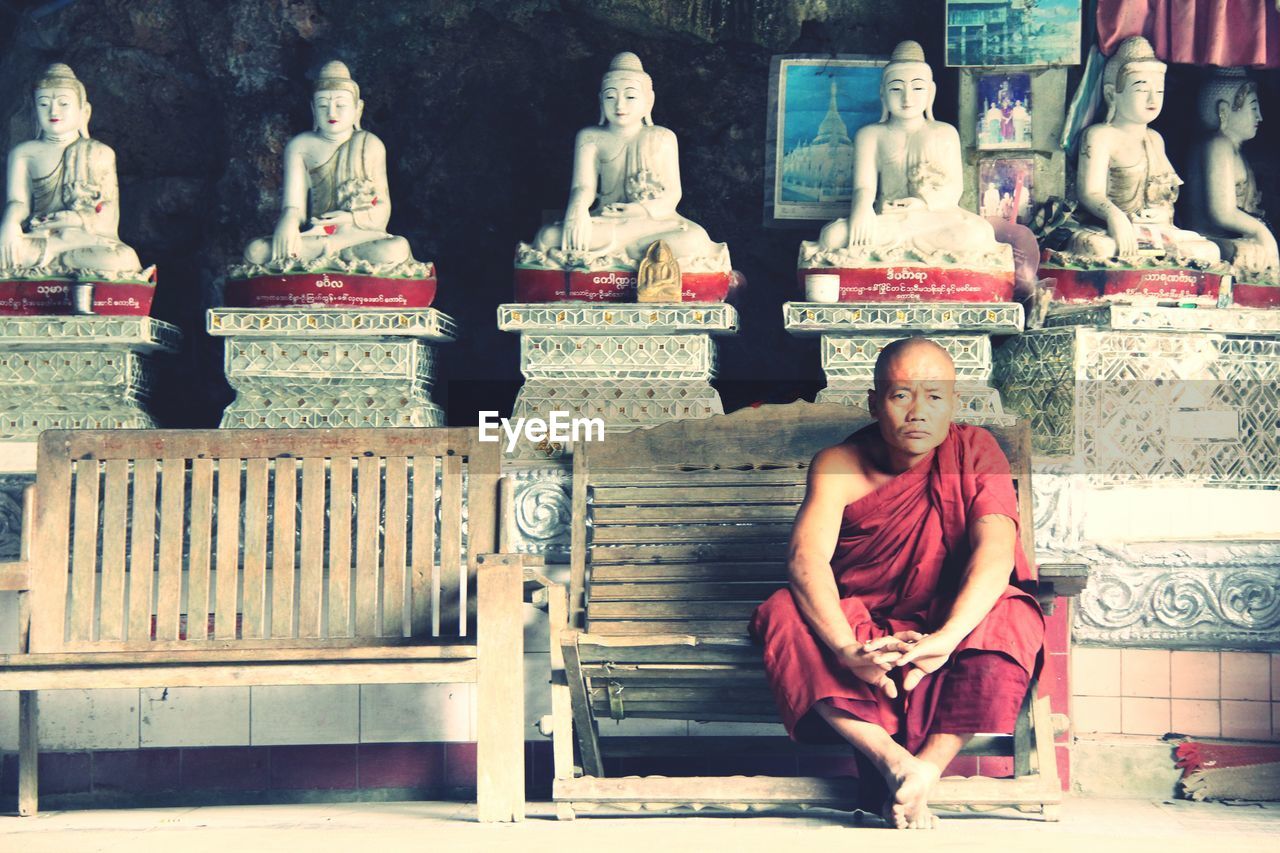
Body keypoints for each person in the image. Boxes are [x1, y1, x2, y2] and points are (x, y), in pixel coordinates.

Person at [750, 337, 1044, 830]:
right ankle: (895, 763)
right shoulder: (839, 463)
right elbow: (806, 559)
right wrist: (845, 648)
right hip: (863, 623)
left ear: (953, 403)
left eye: (934, 396)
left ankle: (923, 768)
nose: (917, 412)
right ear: (873, 401)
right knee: (782, 609)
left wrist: (946, 639)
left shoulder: (974, 451)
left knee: (1013, 614)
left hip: (945, 618)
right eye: (900, 395)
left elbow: (995, 551)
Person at [530, 52, 726, 267]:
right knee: (548, 237)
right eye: (610, 97)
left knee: (693, 239)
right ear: (600, 101)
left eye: (630, 96)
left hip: (653, 222)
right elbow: (583, 186)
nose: (620, 106)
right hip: (607, 219)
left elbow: (673, 193)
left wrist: (641, 210)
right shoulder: (590, 138)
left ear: (648, 100)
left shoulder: (662, 137)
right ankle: (640, 253)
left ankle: (624, 252)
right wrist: (576, 213)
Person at [813, 41, 1003, 262]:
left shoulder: (945, 132)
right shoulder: (870, 135)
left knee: (978, 234)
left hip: (933, 220)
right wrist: (862, 210)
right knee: (832, 237)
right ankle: (908, 250)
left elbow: (954, 189)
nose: (907, 98)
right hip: (888, 219)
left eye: (918, 88)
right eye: (896, 89)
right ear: (882, 93)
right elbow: (864, 186)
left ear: (931, 93)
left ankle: (896, 251)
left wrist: (923, 204)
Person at [1056, 36, 1219, 263]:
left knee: (1208, 251)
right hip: (1108, 230)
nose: (1153, 98)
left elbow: (1165, 199)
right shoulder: (1099, 136)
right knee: (1096, 247)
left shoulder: (1155, 139)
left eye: (1159, 91)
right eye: (1142, 90)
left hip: (1151, 231)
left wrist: (1161, 215)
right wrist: (1116, 218)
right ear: (1112, 94)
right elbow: (1090, 193)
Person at [243, 61, 412, 269]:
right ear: (313, 109)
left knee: (396, 248)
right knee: (256, 251)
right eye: (323, 105)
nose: (332, 113)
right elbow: (294, 206)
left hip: (356, 236)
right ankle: (341, 263)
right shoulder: (300, 145)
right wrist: (288, 220)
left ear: (358, 109)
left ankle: (331, 261)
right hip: (316, 235)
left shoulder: (370, 144)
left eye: (340, 105)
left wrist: (349, 218)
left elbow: (383, 207)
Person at [0, 64, 143, 277]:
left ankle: (54, 262)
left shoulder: (99, 152)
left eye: (64, 103)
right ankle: (60, 259)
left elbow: (108, 214)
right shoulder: (23, 153)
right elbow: (18, 202)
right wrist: (9, 224)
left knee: (124, 258)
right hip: (41, 237)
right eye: (43, 104)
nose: (53, 111)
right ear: (33, 110)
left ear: (83, 111)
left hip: (84, 238)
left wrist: (73, 220)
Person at [1186, 68, 1278, 278]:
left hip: (1234, 238)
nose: (1260, 117)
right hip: (1211, 238)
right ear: (1223, 110)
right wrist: (1259, 231)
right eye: (1253, 108)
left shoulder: (1234, 149)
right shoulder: (1217, 145)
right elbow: (1221, 212)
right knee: (1249, 254)